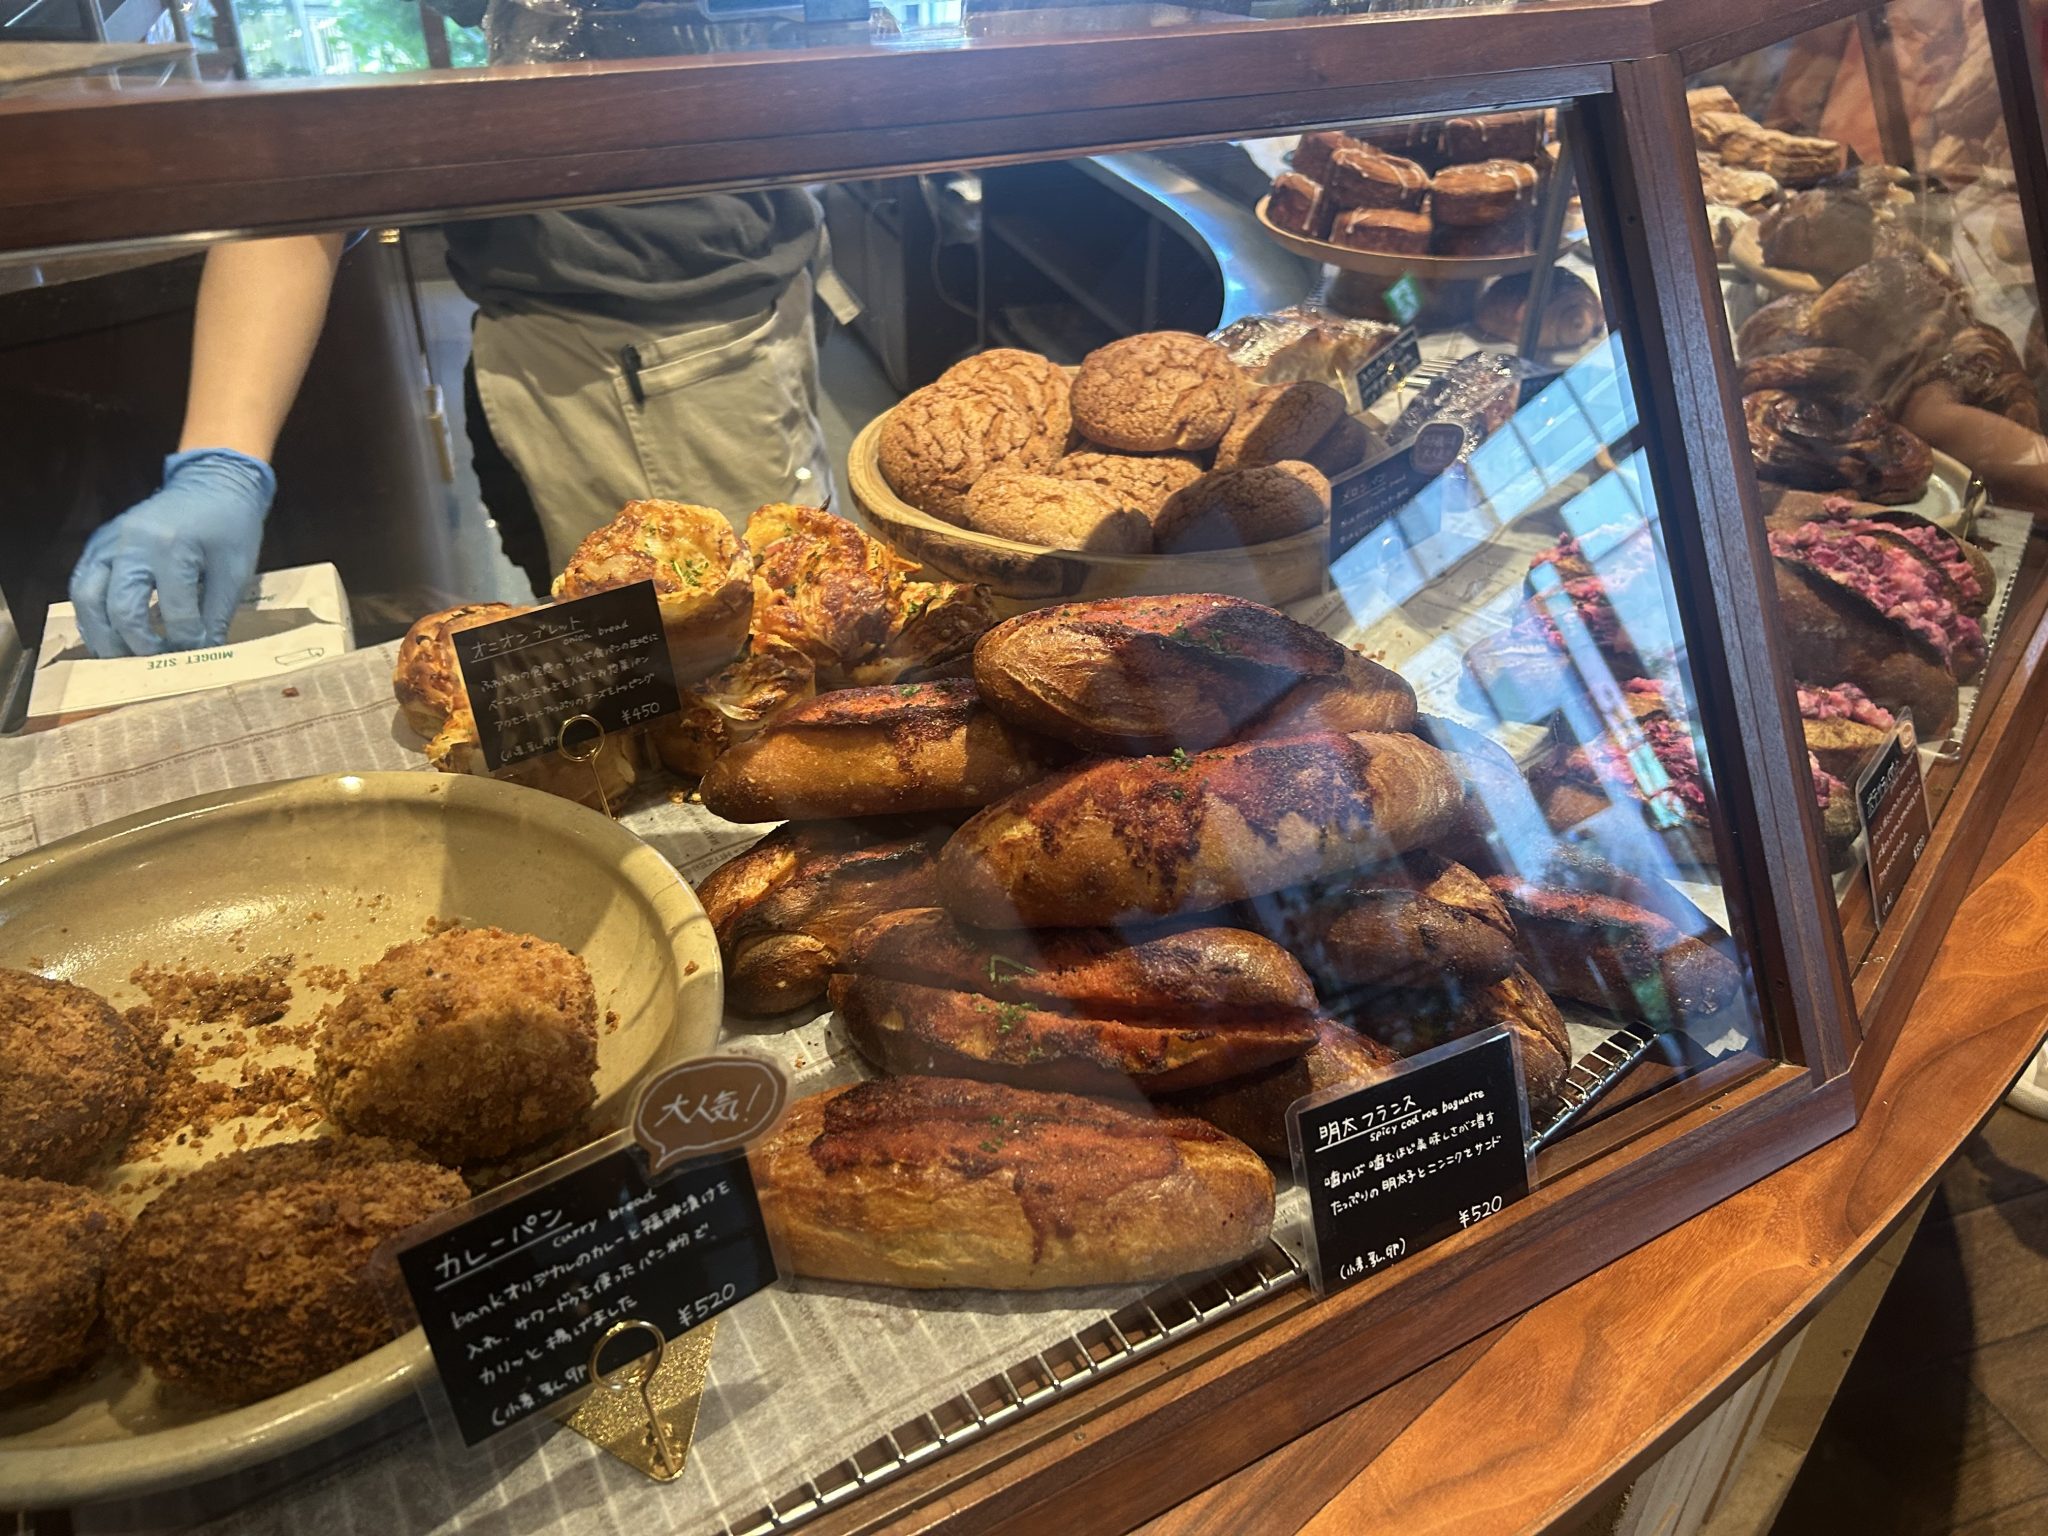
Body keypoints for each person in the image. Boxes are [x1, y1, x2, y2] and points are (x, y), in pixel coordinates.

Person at [69, 0, 833, 659]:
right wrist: (222, 459)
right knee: (678, 661)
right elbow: (314, 159)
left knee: (757, 648)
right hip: (623, 359)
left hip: (704, 338)